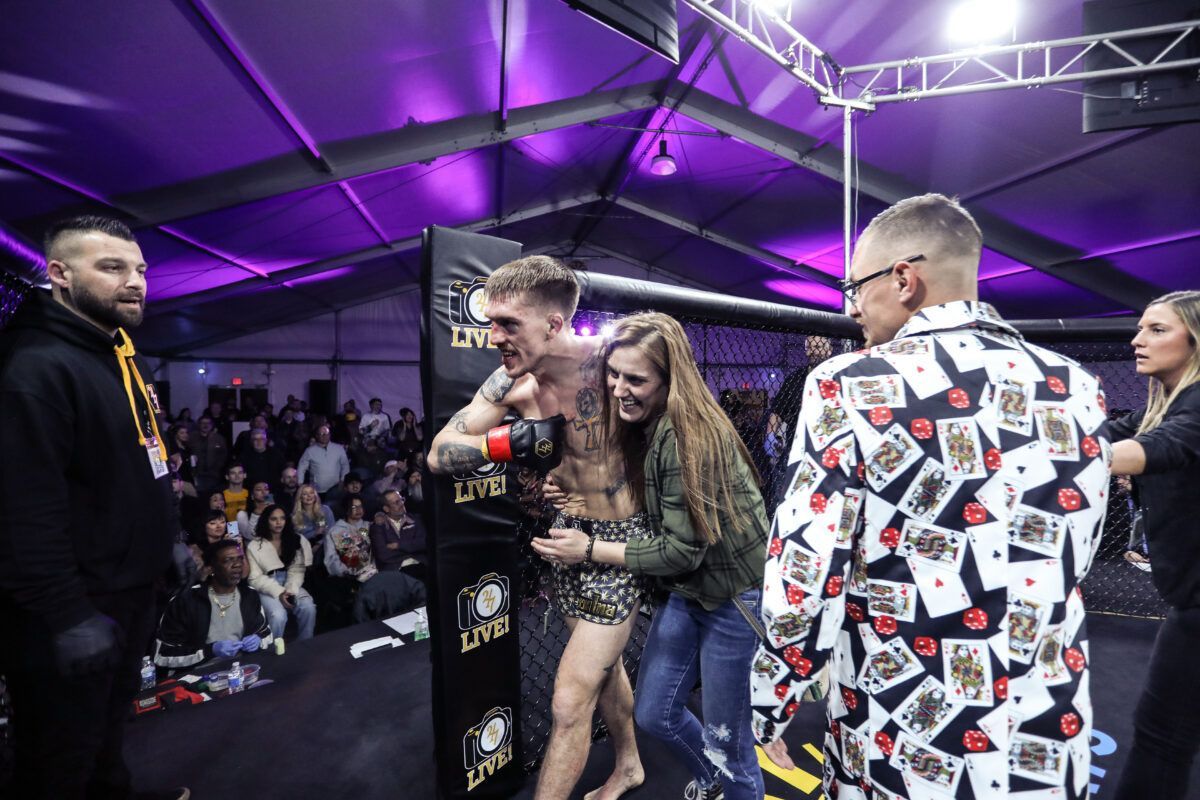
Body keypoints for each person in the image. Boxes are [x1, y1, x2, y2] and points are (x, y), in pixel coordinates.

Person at [750, 195, 1111, 799]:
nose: (852, 304)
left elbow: (807, 570)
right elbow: (1079, 548)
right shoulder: (1074, 385)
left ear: (903, 279)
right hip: (1046, 718)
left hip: (907, 727)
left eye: (854, 285)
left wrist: (770, 698)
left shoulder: (850, 383)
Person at [428, 255, 649, 800]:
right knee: (603, 668)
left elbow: (677, 438)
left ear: (554, 323)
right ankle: (628, 765)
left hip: (621, 544)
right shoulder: (510, 383)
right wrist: (507, 444)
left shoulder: (616, 366)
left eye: (509, 324)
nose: (493, 335)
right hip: (565, 538)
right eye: (491, 321)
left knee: (570, 701)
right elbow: (438, 455)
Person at [534, 312, 769, 800]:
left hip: (732, 597)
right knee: (653, 712)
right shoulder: (643, 423)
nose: (619, 388)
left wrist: (590, 549)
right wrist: (568, 488)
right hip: (688, 590)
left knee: (732, 746)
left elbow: (682, 550)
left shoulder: (688, 438)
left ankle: (726, 781)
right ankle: (710, 778)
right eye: (614, 374)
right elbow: (625, 487)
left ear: (670, 379)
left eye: (636, 379)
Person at [0, 215, 188, 800]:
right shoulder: (34, 367)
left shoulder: (115, 352)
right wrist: (65, 614)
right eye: (111, 268)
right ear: (58, 274)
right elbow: (21, 509)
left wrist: (166, 543)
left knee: (107, 730)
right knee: (58, 754)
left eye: (139, 269)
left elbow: (135, 464)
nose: (135, 282)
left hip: (127, 586)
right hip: (73, 605)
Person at [1108, 291, 1200, 800]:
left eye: (1157, 330)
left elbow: (1167, 446)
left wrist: (1053, 462)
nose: (1137, 340)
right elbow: (1099, 433)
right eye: (1141, 327)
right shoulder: (1160, 405)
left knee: (1162, 736)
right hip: (1190, 595)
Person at [153, 539, 272, 669]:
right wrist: (209, 651)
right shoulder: (185, 601)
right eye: (228, 560)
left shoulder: (249, 595)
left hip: (243, 667)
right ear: (211, 568)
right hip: (200, 674)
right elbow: (162, 655)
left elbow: (266, 633)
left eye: (240, 559)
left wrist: (258, 640)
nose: (237, 565)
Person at [247, 504, 316, 642]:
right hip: (267, 585)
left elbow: (297, 569)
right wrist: (279, 592)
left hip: (291, 581)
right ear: (266, 521)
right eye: (274, 519)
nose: (279, 523)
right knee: (278, 615)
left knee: (308, 607)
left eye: (282, 518)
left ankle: (306, 645)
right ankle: (273, 650)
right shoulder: (254, 545)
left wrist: (290, 590)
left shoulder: (295, 539)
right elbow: (254, 578)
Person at [369, 489, 427, 578]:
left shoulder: (416, 519)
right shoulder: (378, 527)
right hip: (395, 571)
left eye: (401, 499)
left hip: (421, 565)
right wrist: (411, 548)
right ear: (386, 508)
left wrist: (398, 545)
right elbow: (383, 555)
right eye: (396, 502)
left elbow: (424, 543)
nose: (401, 504)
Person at [298, 424, 350, 496]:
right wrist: (300, 483)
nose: (324, 436)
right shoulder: (309, 451)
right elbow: (301, 467)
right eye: (321, 434)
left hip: (335, 488)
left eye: (326, 434)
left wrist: (343, 480)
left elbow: (345, 466)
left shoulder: (339, 448)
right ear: (317, 436)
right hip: (317, 490)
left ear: (330, 435)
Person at [292, 483, 335, 548]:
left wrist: (318, 544)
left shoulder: (325, 510)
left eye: (311, 493)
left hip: (326, 544)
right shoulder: (295, 516)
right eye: (305, 494)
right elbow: (297, 538)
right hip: (305, 547)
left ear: (315, 495)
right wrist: (315, 533)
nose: (309, 496)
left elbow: (331, 531)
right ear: (300, 497)